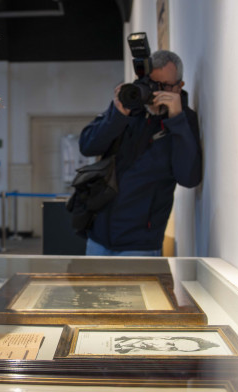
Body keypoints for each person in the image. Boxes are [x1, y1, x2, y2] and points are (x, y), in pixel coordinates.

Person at [79, 50, 202, 256]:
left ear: (179, 87)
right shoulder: (129, 110)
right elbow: (88, 145)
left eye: (163, 87)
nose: (155, 93)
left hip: (139, 244)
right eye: (151, 84)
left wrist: (176, 119)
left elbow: (188, 178)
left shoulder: (182, 121)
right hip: (99, 237)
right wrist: (118, 114)